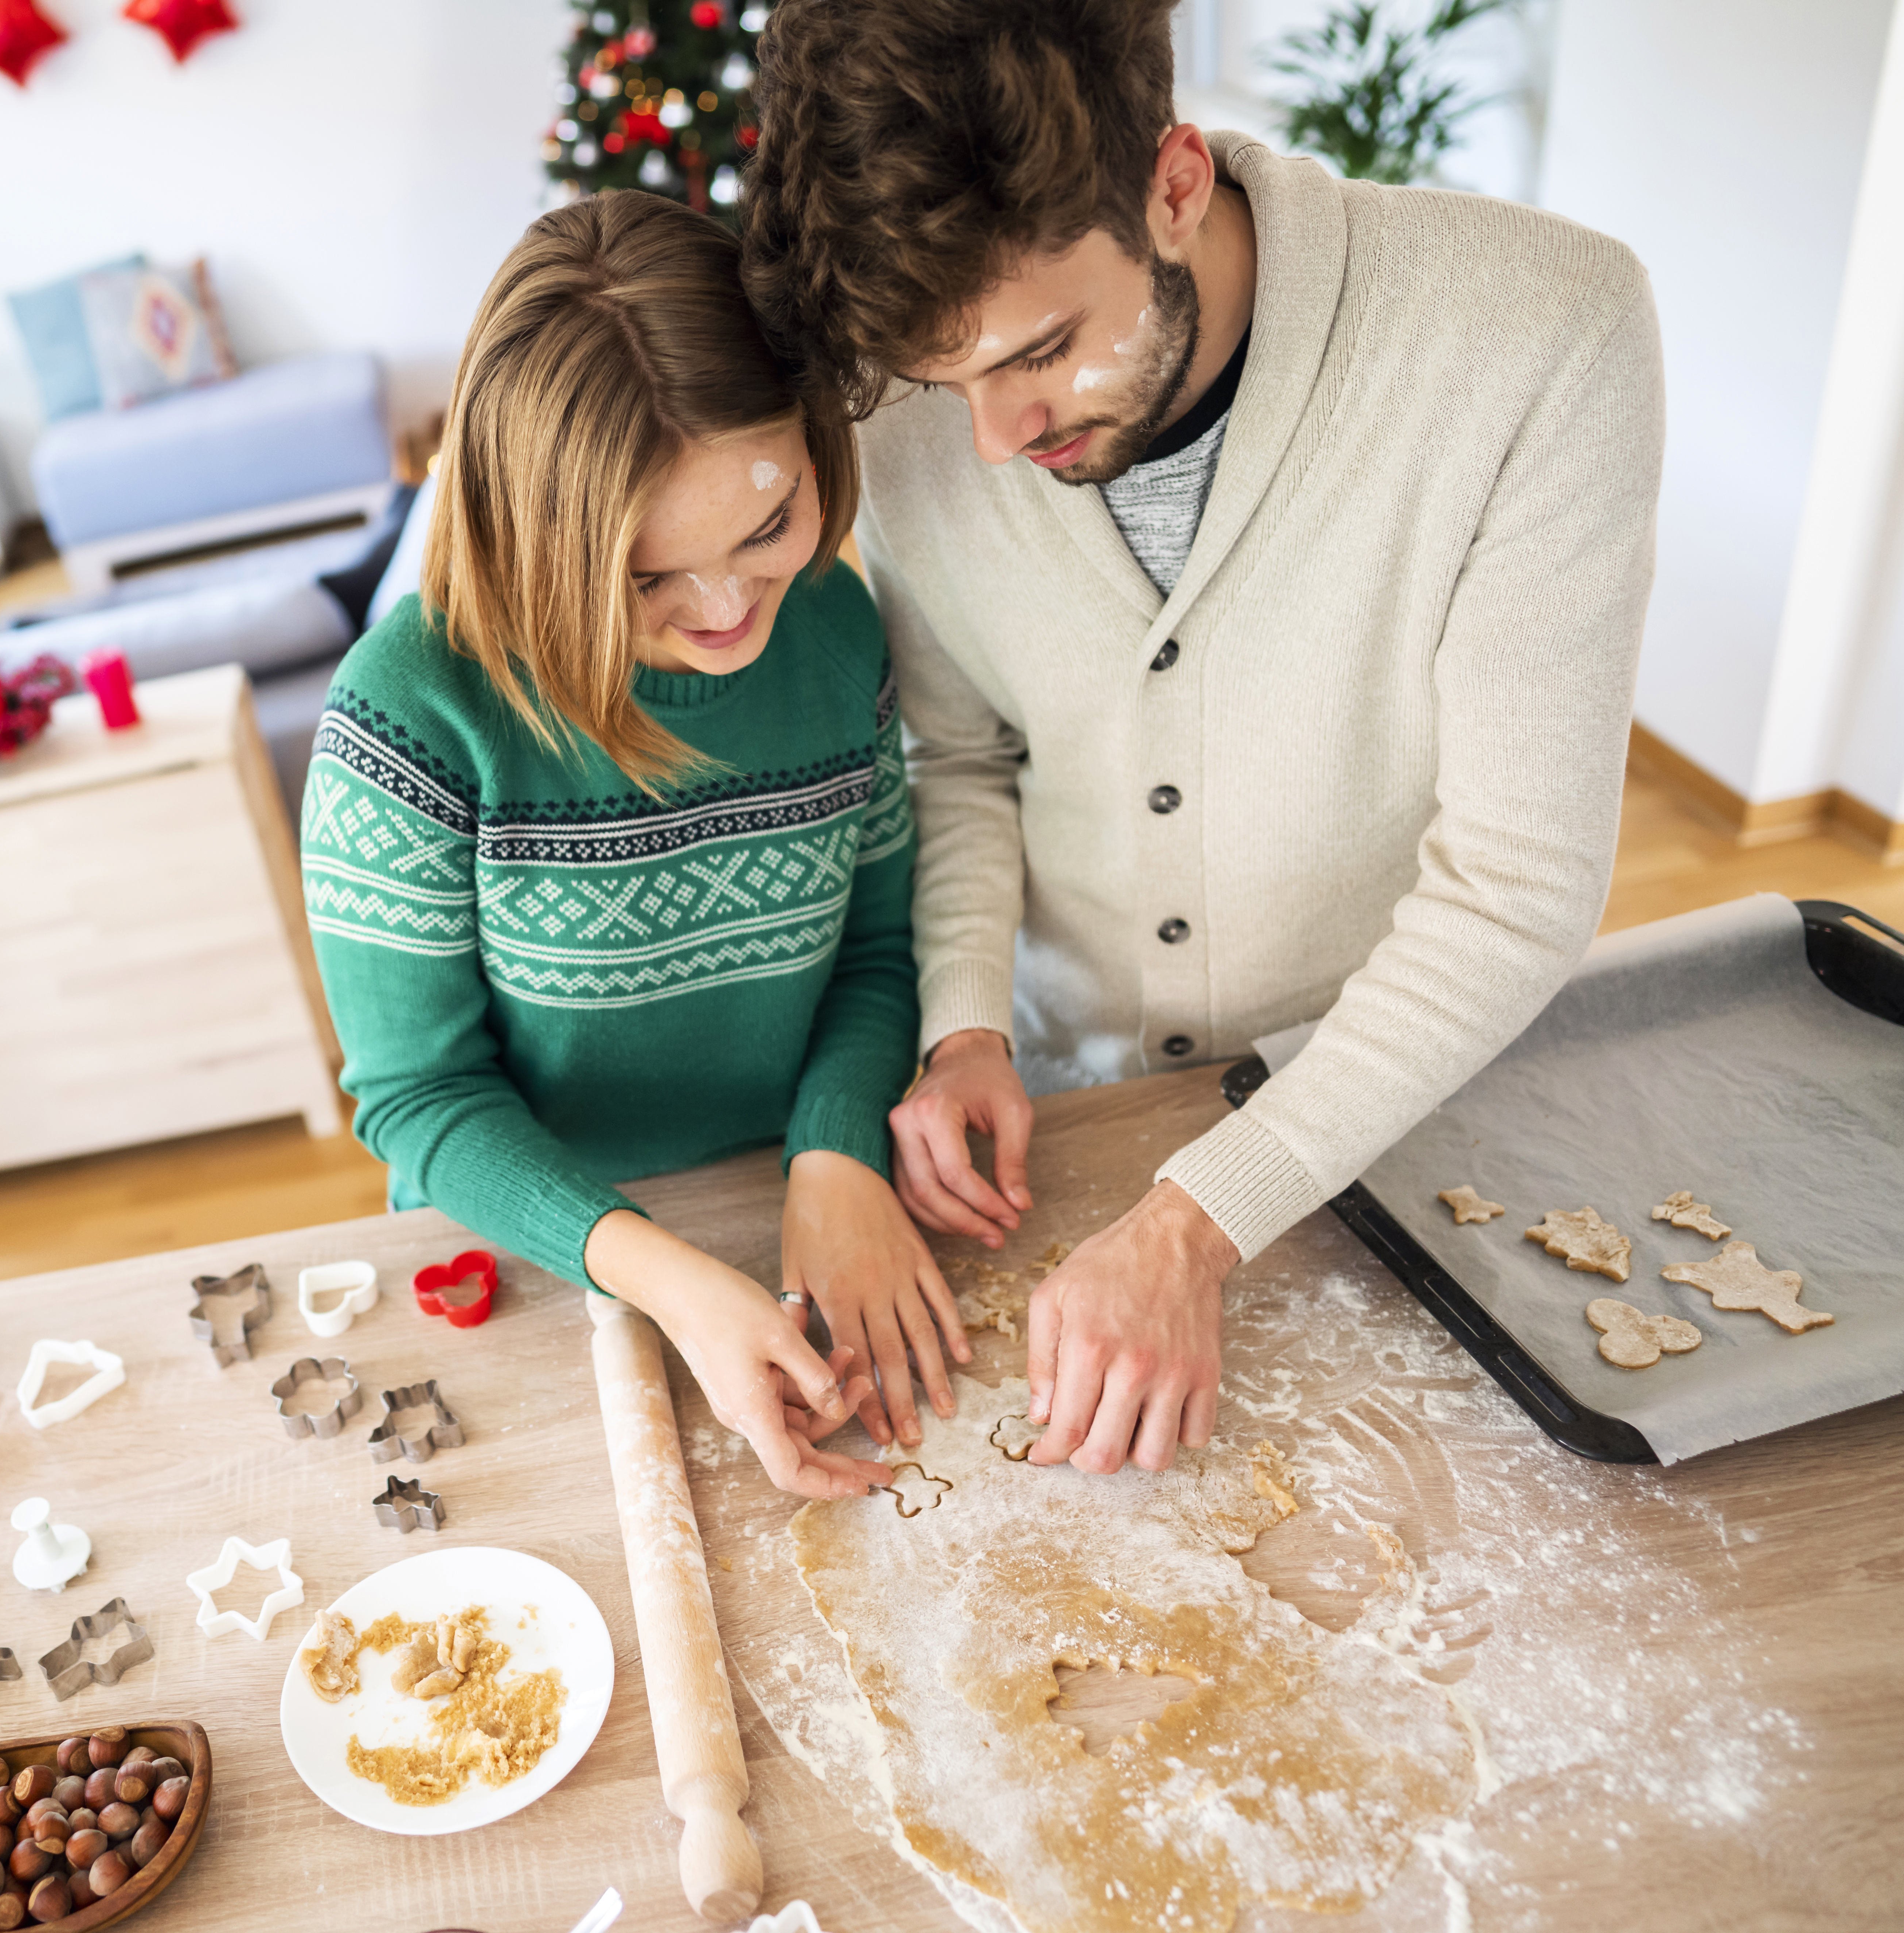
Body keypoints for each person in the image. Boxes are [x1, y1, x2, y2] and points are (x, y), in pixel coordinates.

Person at [739, 0, 1664, 1474]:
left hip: (1385, 1111)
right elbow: (962, 757)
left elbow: (1517, 886)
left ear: (1174, 186)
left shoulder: (1541, 331)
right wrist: (965, 1021)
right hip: (1065, 1105)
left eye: (1042, 352)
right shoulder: (917, 394)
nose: (990, 441)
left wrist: (1196, 1220)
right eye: (942, 384)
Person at [298, 190, 966, 1500]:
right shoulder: (411, 711)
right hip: (531, 1252)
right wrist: (667, 1278)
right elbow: (420, 1099)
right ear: (535, 541)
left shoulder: (835, 625)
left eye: (766, 529)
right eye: (648, 576)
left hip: (789, 1198)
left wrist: (835, 1156)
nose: (726, 610)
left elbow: (876, 952)